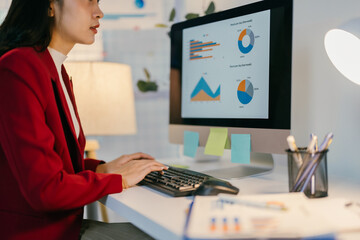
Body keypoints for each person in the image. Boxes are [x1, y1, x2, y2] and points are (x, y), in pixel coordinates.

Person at [0, 0, 167, 239]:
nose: (99, 12)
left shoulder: (53, 68)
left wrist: (102, 168)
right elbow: (45, 189)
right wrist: (117, 179)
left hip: (62, 228)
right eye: (88, 0)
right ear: (49, 6)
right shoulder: (18, 67)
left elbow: (53, 163)